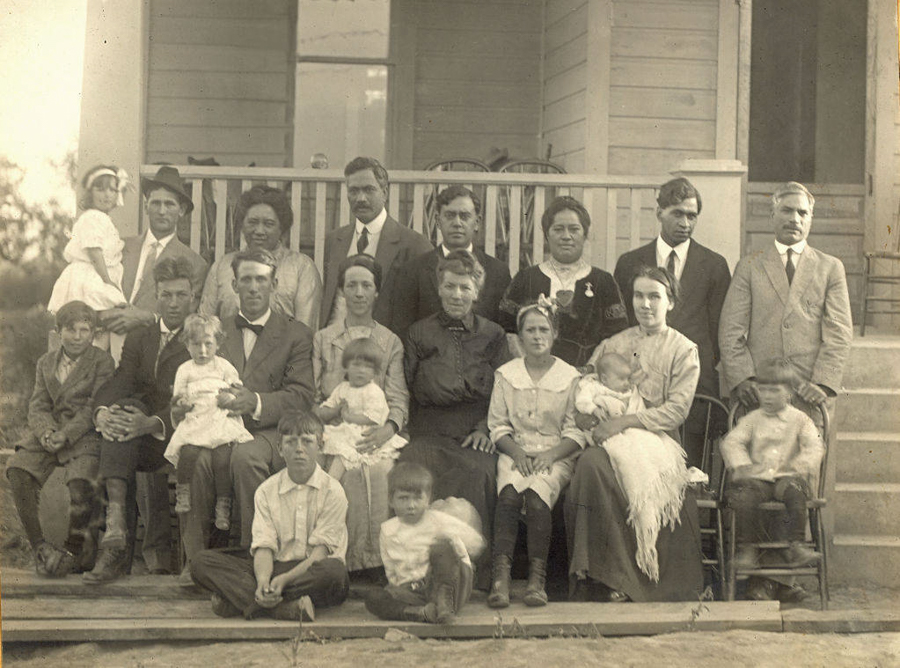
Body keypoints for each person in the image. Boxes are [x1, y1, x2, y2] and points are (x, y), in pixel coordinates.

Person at [565, 266, 702, 602]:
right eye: (639, 296)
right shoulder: (614, 343)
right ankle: (595, 574)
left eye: (655, 296)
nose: (645, 304)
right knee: (590, 466)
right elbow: (584, 386)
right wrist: (590, 412)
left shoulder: (684, 349)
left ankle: (635, 581)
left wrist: (625, 422)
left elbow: (676, 412)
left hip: (658, 440)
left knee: (647, 479)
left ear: (670, 302)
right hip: (609, 438)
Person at [180, 248, 315, 569]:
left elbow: (301, 396)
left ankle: (254, 556)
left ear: (274, 284)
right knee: (195, 457)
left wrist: (254, 402)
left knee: (245, 456)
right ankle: (197, 562)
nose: (253, 287)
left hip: (268, 431)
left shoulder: (296, 334)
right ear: (234, 285)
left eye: (261, 280)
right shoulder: (215, 332)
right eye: (246, 280)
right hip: (217, 426)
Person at [104, 164, 209, 575]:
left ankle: (156, 548)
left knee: (150, 431)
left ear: (182, 211)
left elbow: (181, 309)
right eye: (156, 202)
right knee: (118, 423)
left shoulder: (192, 261)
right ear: (145, 205)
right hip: (114, 352)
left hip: (158, 354)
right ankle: (116, 543)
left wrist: (142, 317)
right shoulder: (122, 248)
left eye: (171, 204)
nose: (162, 210)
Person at [84, 257, 197, 583]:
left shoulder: (199, 339)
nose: (173, 303)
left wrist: (151, 422)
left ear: (192, 297)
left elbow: (198, 399)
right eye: (166, 295)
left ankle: (118, 546)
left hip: (183, 433)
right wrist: (104, 413)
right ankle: (116, 531)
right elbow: (121, 380)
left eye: (180, 295)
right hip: (143, 436)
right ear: (156, 297)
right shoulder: (140, 337)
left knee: (128, 424)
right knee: (120, 417)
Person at [400, 249, 509, 587]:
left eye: (464, 288)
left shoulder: (493, 335)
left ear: (477, 291)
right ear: (439, 288)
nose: (456, 295)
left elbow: (504, 389)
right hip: (428, 427)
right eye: (449, 287)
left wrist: (484, 428)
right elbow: (404, 385)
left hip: (475, 428)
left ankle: (472, 572)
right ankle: (418, 569)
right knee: (416, 467)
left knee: (479, 472)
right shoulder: (419, 333)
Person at [614, 177, 731, 466]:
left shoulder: (714, 265)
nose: (685, 223)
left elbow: (720, 330)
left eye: (692, 216)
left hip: (694, 388)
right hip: (638, 384)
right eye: (677, 213)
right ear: (659, 213)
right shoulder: (630, 262)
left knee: (689, 471)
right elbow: (624, 325)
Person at [190, 412, 350, 621]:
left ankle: (247, 602)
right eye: (291, 442)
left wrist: (283, 581)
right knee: (201, 562)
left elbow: (319, 555)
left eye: (307, 442)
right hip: (275, 566)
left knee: (335, 571)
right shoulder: (267, 490)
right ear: (280, 449)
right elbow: (264, 546)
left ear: (320, 447)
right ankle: (284, 608)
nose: (299, 449)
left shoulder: (333, 491)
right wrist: (264, 580)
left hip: (311, 571)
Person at [719, 181, 853, 426]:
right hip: (760, 392)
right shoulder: (749, 266)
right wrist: (742, 379)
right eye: (787, 210)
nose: (795, 218)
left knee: (807, 460)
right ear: (773, 215)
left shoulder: (830, 268)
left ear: (811, 218)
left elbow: (839, 333)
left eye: (802, 213)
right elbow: (730, 331)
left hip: (808, 393)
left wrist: (822, 383)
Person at [485, 302, 585, 609]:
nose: (537, 336)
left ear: (555, 334)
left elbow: (577, 430)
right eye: (530, 330)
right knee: (510, 496)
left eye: (544, 329)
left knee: (538, 498)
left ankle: (536, 580)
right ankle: (500, 579)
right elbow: (498, 424)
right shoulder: (506, 374)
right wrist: (515, 451)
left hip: (555, 453)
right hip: (517, 450)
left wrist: (552, 455)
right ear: (518, 337)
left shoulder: (570, 377)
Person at [312, 254, 409, 572]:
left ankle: (379, 562)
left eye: (366, 285)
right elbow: (313, 394)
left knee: (379, 474)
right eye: (351, 285)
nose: (358, 292)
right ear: (341, 290)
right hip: (334, 433)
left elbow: (397, 397)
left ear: (376, 292)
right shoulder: (324, 339)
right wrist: (328, 417)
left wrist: (388, 428)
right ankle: (343, 562)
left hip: (374, 432)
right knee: (345, 477)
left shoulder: (390, 341)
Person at [7, 301, 115, 577]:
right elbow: (38, 404)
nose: (77, 337)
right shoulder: (46, 362)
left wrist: (65, 435)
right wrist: (46, 432)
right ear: (59, 331)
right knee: (18, 470)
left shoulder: (102, 361)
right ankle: (40, 547)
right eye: (70, 330)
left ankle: (74, 551)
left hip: (84, 434)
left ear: (93, 334)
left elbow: (94, 406)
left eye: (84, 330)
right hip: (49, 433)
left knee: (82, 485)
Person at [499, 195, 628, 368]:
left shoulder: (603, 281)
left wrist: (589, 369)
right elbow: (507, 330)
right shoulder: (526, 278)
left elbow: (616, 336)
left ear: (585, 234)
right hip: (535, 376)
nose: (566, 236)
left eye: (574, 229)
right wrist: (531, 367)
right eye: (558, 229)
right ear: (547, 235)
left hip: (588, 379)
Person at [721, 359, 824, 574]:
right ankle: (748, 548)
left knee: (797, 494)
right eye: (762, 390)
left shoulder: (800, 419)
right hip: (759, 478)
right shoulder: (753, 418)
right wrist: (743, 465)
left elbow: (815, 444)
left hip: (789, 476)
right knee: (745, 499)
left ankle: (796, 545)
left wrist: (801, 465)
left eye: (774, 391)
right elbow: (732, 441)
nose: (766, 396)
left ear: (789, 393)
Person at [365, 463, 485, 624]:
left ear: (427, 499)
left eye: (417, 498)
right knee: (374, 598)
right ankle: (417, 613)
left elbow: (476, 541)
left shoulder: (438, 520)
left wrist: (459, 554)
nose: (411, 505)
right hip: (412, 592)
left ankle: (444, 607)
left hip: (444, 586)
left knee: (441, 548)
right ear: (391, 501)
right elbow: (391, 570)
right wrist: (401, 588)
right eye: (403, 498)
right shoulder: (388, 530)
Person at [320, 156, 432, 327]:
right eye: (354, 191)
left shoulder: (415, 245)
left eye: (369, 190)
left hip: (385, 348)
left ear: (384, 193)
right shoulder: (334, 240)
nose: (361, 198)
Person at [165, 314, 252, 530]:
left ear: (218, 343)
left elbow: (237, 390)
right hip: (196, 418)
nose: (202, 351)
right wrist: (183, 403)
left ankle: (223, 504)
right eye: (196, 345)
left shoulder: (224, 366)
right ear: (187, 344)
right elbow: (178, 396)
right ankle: (182, 491)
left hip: (218, 417)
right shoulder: (185, 369)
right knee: (188, 452)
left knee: (222, 458)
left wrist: (229, 398)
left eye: (208, 344)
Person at [390, 185, 511, 336]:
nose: (457, 223)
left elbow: (504, 331)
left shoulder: (497, 272)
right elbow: (402, 330)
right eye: (449, 215)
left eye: (465, 216)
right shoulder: (413, 270)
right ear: (438, 221)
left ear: (477, 222)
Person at [200, 185, 322, 330]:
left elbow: (305, 330)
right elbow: (205, 324)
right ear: (242, 225)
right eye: (252, 222)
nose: (259, 231)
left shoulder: (302, 267)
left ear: (281, 227)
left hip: (283, 351)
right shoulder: (222, 266)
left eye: (268, 224)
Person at [315, 337, 407, 480]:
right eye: (356, 365)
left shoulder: (373, 391)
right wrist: (335, 410)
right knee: (321, 447)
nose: (361, 371)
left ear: (375, 371)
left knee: (342, 456)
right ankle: (323, 483)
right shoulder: (342, 388)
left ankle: (331, 484)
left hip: (365, 434)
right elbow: (325, 408)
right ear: (346, 366)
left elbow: (373, 418)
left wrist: (348, 417)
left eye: (367, 367)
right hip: (345, 431)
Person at [47, 165, 129, 315]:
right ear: (90, 193)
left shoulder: (104, 219)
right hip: (91, 276)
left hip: (97, 273)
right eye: (101, 189)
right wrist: (107, 281)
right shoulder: (92, 217)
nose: (107, 195)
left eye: (112, 190)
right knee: (96, 313)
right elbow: (95, 252)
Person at [573, 353, 636, 439]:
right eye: (621, 379)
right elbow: (582, 401)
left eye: (628, 378)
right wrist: (593, 409)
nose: (627, 383)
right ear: (604, 379)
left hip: (621, 425)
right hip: (599, 422)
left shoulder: (629, 391)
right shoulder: (594, 387)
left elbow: (636, 408)